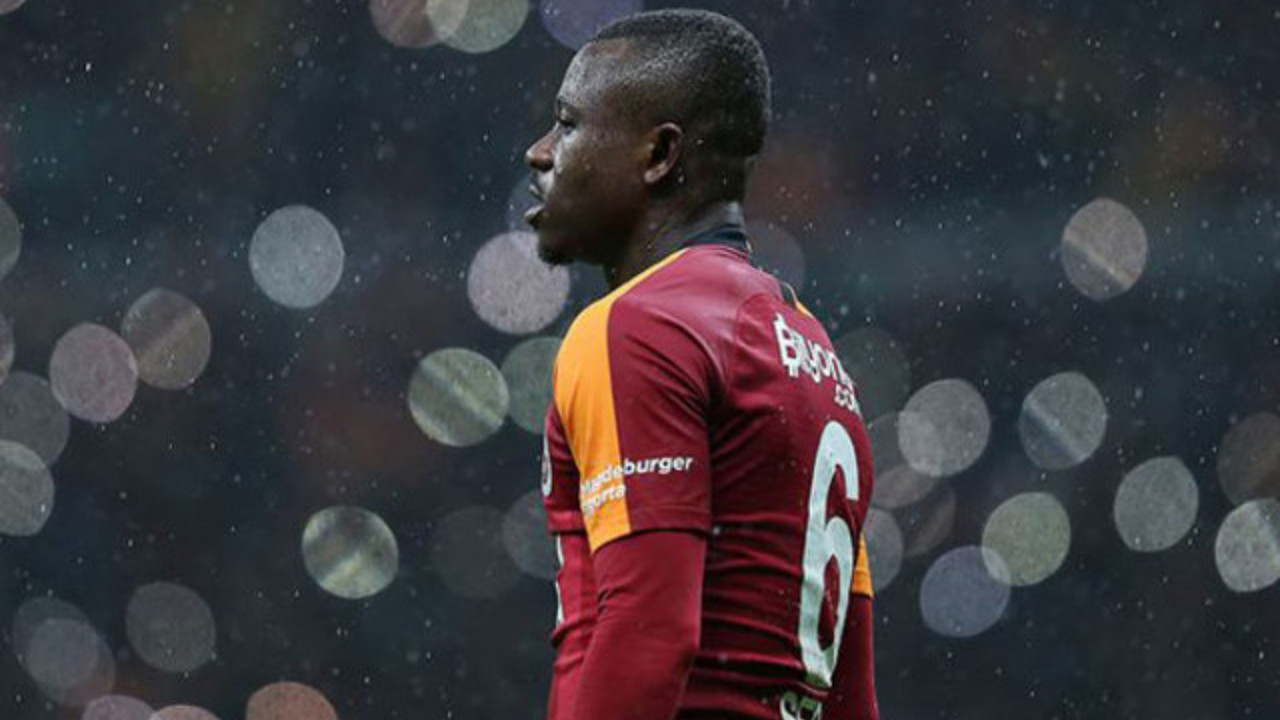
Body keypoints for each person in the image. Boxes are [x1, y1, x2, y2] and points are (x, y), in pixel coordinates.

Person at [524, 9, 878, 720]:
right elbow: (851, 690)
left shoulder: (639, 326)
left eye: (567, 124)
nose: (540, 152)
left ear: (659, 154)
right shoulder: (813, 355)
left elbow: (650, 633)